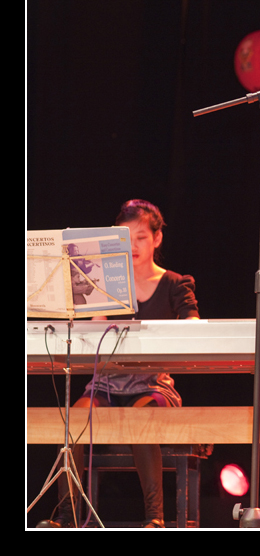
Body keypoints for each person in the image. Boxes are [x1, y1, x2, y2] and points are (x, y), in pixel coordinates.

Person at [41, 199, 200, 528]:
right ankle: (68, 518)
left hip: (152, 384)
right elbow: (94, 332)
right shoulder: (107, 281)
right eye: (125, 238)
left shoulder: (175, 283)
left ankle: (154, 519)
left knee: (139, 418)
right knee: (72, 422)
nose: (133, 246)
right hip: (108, 383)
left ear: (157, 238)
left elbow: (193, 330)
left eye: (141, 237)